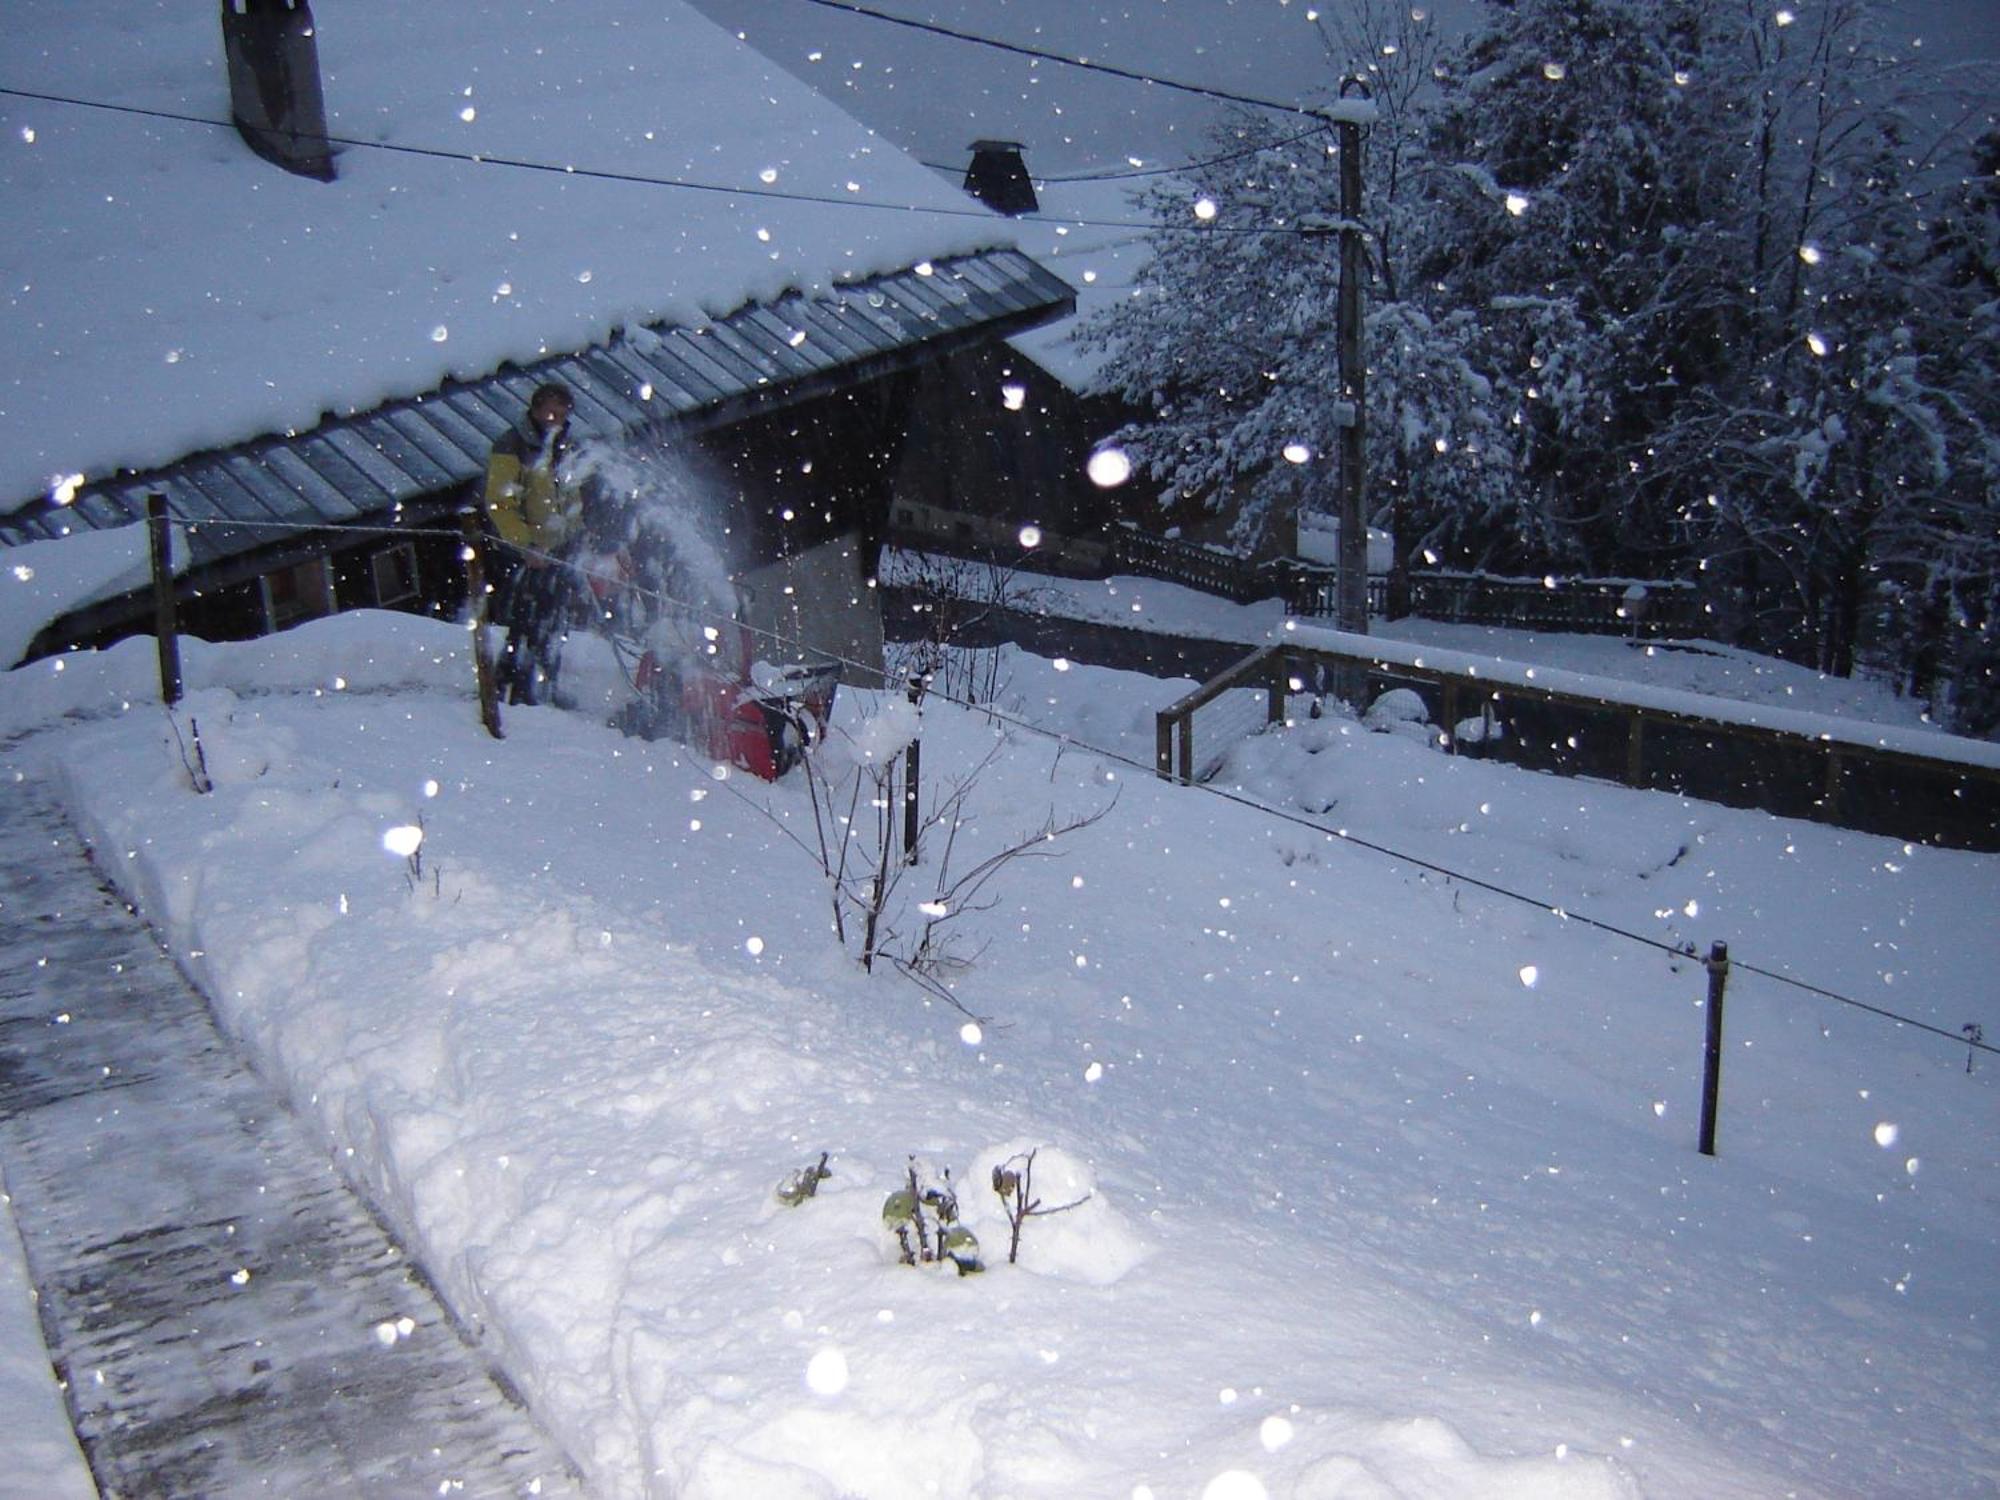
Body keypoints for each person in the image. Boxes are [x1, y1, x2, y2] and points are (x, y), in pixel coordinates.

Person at [482, 382, 585, 706]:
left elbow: (570, 495)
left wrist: (579, 531)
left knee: (553, 624)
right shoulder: (512, 446)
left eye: (563, 412)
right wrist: (525, 545)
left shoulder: (561, 445)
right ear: (536, 409)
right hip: (524, 554)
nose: (556, 418)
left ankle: (543, 687)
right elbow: (500, 504)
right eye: (551, 411)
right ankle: (515, 690)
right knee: (524, 623)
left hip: (558, 550)